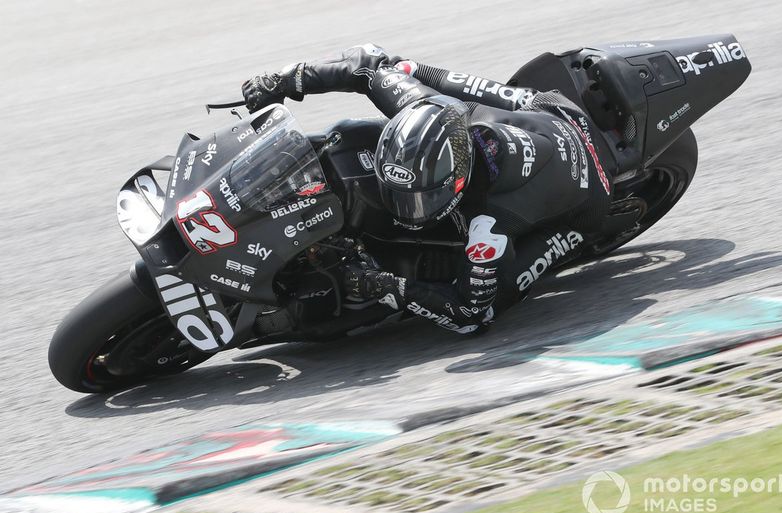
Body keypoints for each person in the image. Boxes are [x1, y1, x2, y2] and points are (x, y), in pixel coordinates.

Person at [242, 43, 623, 334]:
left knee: (497, 294)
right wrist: (287, 79)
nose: (405, 209)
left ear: (456, 185)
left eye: (419, 199)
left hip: (589, 193)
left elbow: (471, 316)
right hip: (543, 109)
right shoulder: (423, 106)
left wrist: (386, 284)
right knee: (405, 69)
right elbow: (365, 63)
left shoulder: (487, 226)